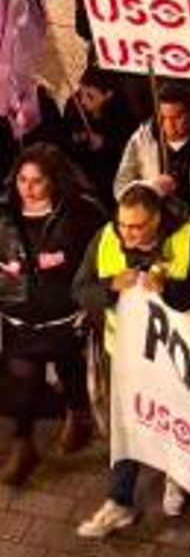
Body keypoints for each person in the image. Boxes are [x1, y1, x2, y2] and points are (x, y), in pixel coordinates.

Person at [74, 183, 190, 538]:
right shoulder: (106, 237)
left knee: (173, 417)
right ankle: (119, 501)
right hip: (123, 355)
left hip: (171, 357)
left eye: (136, 226)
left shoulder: (187, 239)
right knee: (127, 424)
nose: (127, 233)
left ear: (157, 220)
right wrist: (109, 287)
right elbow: (79, 290)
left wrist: (169, 291)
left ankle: (176, 477)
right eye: (123, 224)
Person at [0, 144, 105, 485]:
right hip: (20, 317)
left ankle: (77, 414)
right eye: (22, 180)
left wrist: (93, 303)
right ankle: (23, 442)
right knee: (24, 377)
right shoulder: (3, 215)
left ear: (54, 182)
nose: (27, 188)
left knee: (68, 367)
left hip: (66, 317)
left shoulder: (81, 215)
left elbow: (102, 258)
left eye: (37, 181)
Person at [112, 79, 190, 217]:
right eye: (163, 117)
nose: (169, 125)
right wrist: (149, 187)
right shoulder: (142, 138)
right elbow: (120, 188)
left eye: (177, 117)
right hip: (156, 221)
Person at [60, 66, 138, 207]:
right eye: (81, 94)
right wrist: (77, 139)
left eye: (90, 96)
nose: (83, 101)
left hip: (112, 187)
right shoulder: (74, 111)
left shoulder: (124, 120)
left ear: (108, 94)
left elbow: (129, 157)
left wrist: (106, 143)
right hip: (83, 184)